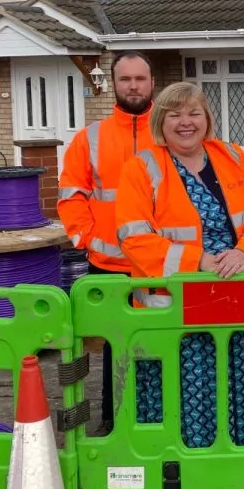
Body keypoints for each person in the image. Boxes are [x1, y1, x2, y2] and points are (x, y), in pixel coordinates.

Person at [116, 82, 244, 489]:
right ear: (159, 122)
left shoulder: (231, 158)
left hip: (231, 297)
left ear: (207, 118)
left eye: (194, 113)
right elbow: (134, 236)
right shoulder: (142, 167)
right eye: (174, 115)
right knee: (186, 398)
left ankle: (227, 474)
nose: (186, 122)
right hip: (174, 307)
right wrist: (197, 261)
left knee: (234, 387)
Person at [58, 50, 155, 428]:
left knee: (157, 346)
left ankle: (154, 422)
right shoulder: (90, 138)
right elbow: (71, 193)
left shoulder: (169, 132)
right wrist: (86, 237)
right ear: (112, 84)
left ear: (152, 83)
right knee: (113, 350)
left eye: (140, 79)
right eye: (125, 79)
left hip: (158, 267)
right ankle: (111, 423)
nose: (133, 86)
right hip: (108, 266)